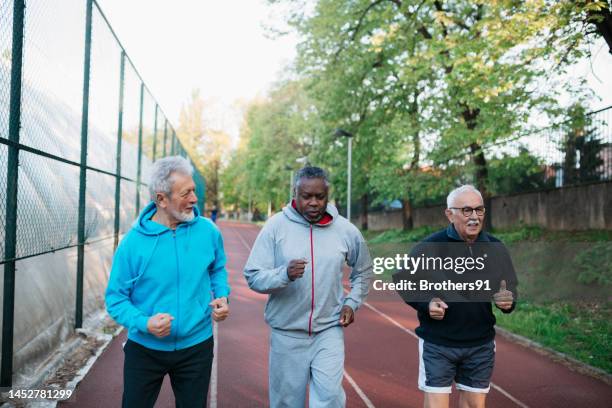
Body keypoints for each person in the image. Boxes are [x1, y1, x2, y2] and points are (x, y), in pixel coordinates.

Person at [105, 156, 231, 408]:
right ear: (161, 199)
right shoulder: (132, 244)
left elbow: (217, 268)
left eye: (194, 190)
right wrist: (144, 322)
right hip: (145, 349)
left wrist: (222, 295)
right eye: (186, 193)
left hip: (197, 345)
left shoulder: (208, 231)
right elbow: (115, 298)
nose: (195, 199)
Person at [244, 166, 373, 408]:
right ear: (295, 194)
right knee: (286, 403)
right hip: (287, 333)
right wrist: (284, 274)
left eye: (320, 196)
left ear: (328, 195)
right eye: (306, 196)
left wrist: (352, 302)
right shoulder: (276, 227)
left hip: (328, 331)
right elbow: (253, 275)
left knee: (330, 399)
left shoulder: (346, 230)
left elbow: (364, 270)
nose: (313, 202)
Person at [399, 185, 517, 408]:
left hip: (480, 343)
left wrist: (507, 302)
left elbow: (509, 287)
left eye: (479, 210)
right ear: (449, 213)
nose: (474, 216)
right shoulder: (430, 246)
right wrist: (426, 303)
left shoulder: (496, 247)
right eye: (466, 210)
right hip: (438, 342)